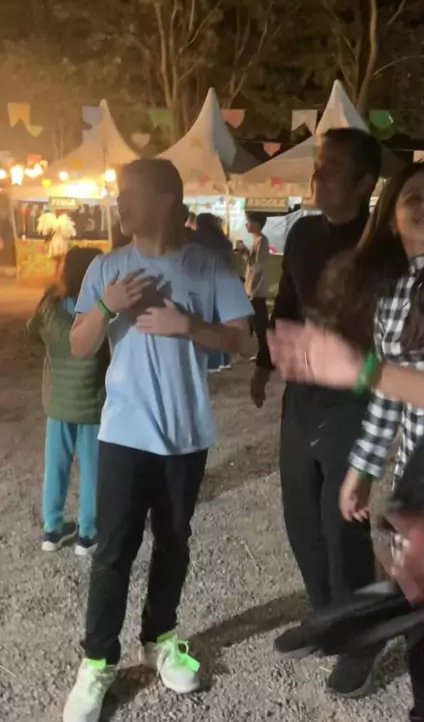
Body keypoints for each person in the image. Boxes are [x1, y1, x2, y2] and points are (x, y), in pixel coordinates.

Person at [270, 160, 424, 722]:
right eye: (414, 198)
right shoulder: (394, 294)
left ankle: (357, 631)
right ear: (390, 217)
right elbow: (390, 394)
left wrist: (361, 370)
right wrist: (362, 469)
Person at [63, 158, 252, 722]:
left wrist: (188, 325)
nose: (120, 204)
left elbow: (243, 341)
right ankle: (97, 663)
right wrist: (107, 306)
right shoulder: (108, 267)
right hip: (123, 433)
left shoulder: (208, 266)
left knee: (173, 541)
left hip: (186, 434)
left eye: (131, 193)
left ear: (167, 198)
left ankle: (160, 640)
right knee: (113, 551)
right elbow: (78, 345)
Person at [251, 127, 383, 697]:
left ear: (364, 182)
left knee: (341, 524)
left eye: (331, 170)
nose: (317, 178)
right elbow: (287, 301)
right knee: (301, 517)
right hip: (302, 397)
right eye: (317, 167)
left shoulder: (384, 247)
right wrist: (264, 362)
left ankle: (362, 638)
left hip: (355, 401)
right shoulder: (304, 233)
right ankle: (326, 615)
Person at [27, 246, 108, 557]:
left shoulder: (50, 307)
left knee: (56, 466)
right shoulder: (101, 311)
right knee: (92, 469)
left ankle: (52, 529)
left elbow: (32, 332)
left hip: (58, 403)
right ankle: (87, 535)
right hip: (92, 403)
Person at [194, 213, 234, 372]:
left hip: (202, 285)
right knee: (220, 322)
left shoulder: (196, 239)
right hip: (222, 285)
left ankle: (211, 360)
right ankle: (223, 359)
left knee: (205, 322)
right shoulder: (223, 241)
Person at [242, 212, 270, 359]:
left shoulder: (262, 242)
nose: (246, 224)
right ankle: (260, 352)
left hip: (256, 291)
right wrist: (245, 253)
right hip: (251, 289)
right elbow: (253, 264)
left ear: (257, 224)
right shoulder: (256, 241)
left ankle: (265, 354)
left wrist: (254, 290)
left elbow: (259, 267)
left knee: (259, 324)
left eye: (249, 221)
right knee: (253, 322)